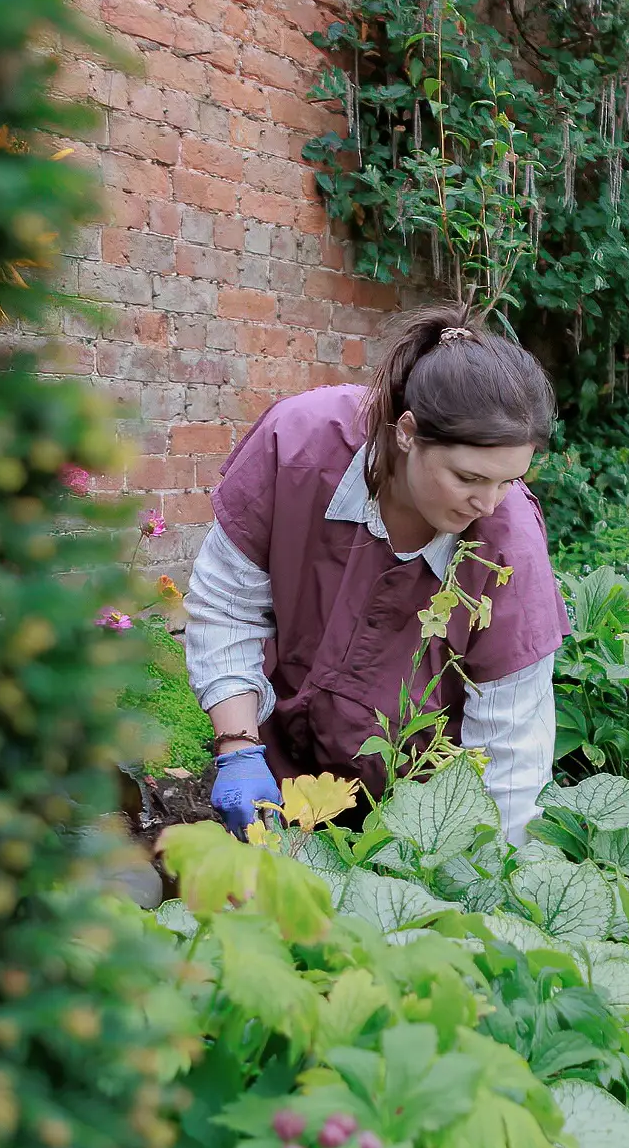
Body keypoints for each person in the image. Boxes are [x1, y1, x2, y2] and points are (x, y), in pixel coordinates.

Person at [182, 304, 568, 841]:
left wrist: (479, 877)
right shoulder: (299, 448)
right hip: (277, 778)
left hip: (415, 821)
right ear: (408, 432)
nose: (488, 503)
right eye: (469, 477)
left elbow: (509, 750)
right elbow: (228, 607)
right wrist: (237, 749)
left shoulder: (507, 548)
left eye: (508, 482)